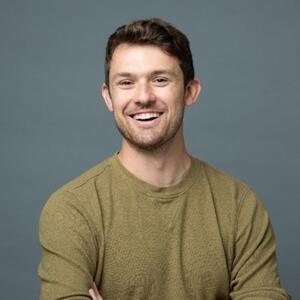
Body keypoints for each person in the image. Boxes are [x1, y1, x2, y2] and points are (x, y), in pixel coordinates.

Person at [38, 18, 291, 300]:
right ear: (108, 97)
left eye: (160, 80)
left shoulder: (240, 206)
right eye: (126, 82)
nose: (143, 97)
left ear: (190, 92)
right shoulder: (72, 209)